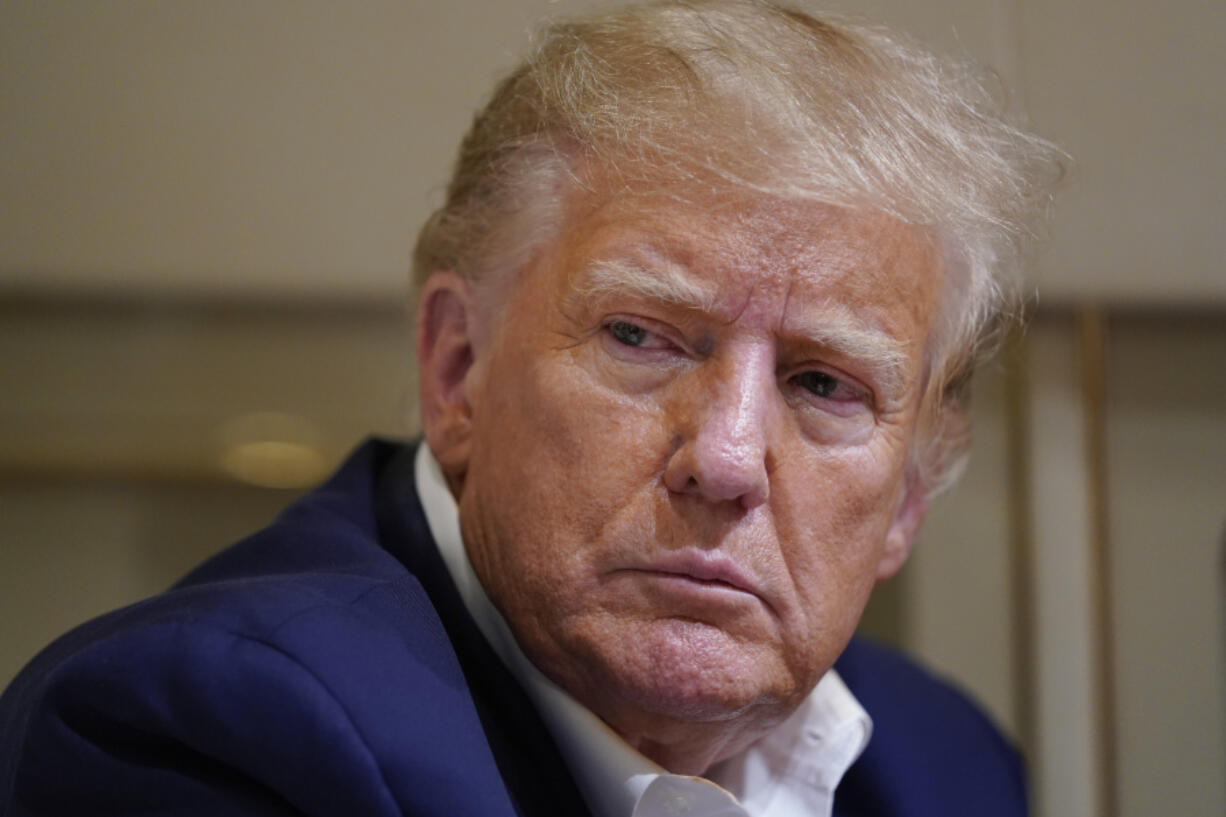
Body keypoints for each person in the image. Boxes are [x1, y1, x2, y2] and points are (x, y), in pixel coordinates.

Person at [0, 2, 1062, 815]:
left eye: (824, 384)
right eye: (639, 336)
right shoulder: (206, 734)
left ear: (911, 495)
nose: (728, 457)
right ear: (457, 367)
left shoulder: (946, 762)